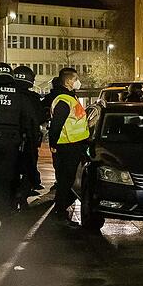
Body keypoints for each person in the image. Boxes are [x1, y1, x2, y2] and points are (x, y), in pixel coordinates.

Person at [48, 68, 90, 228]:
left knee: (67, 180)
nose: (78, 81)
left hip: (73, 145)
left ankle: (61, 208)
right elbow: (57, 125)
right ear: (68, 81)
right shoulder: (64, 101)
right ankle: (60, 212)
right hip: (67, 147)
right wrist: (53, 145)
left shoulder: (70, 98)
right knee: (65, 181)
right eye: (76, 79)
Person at [0, 64, 29, 229]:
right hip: (11, 143)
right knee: (5, 179)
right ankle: (4, 215)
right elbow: (29, 120)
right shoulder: (19, 94)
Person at [13, 66, 44, 206]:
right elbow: (39, 118)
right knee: (28, 168)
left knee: (10, 168)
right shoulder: (33, 98)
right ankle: (23, 195)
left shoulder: (9, 94)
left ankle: (12, 198)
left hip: (9, 140)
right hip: (28, 140)